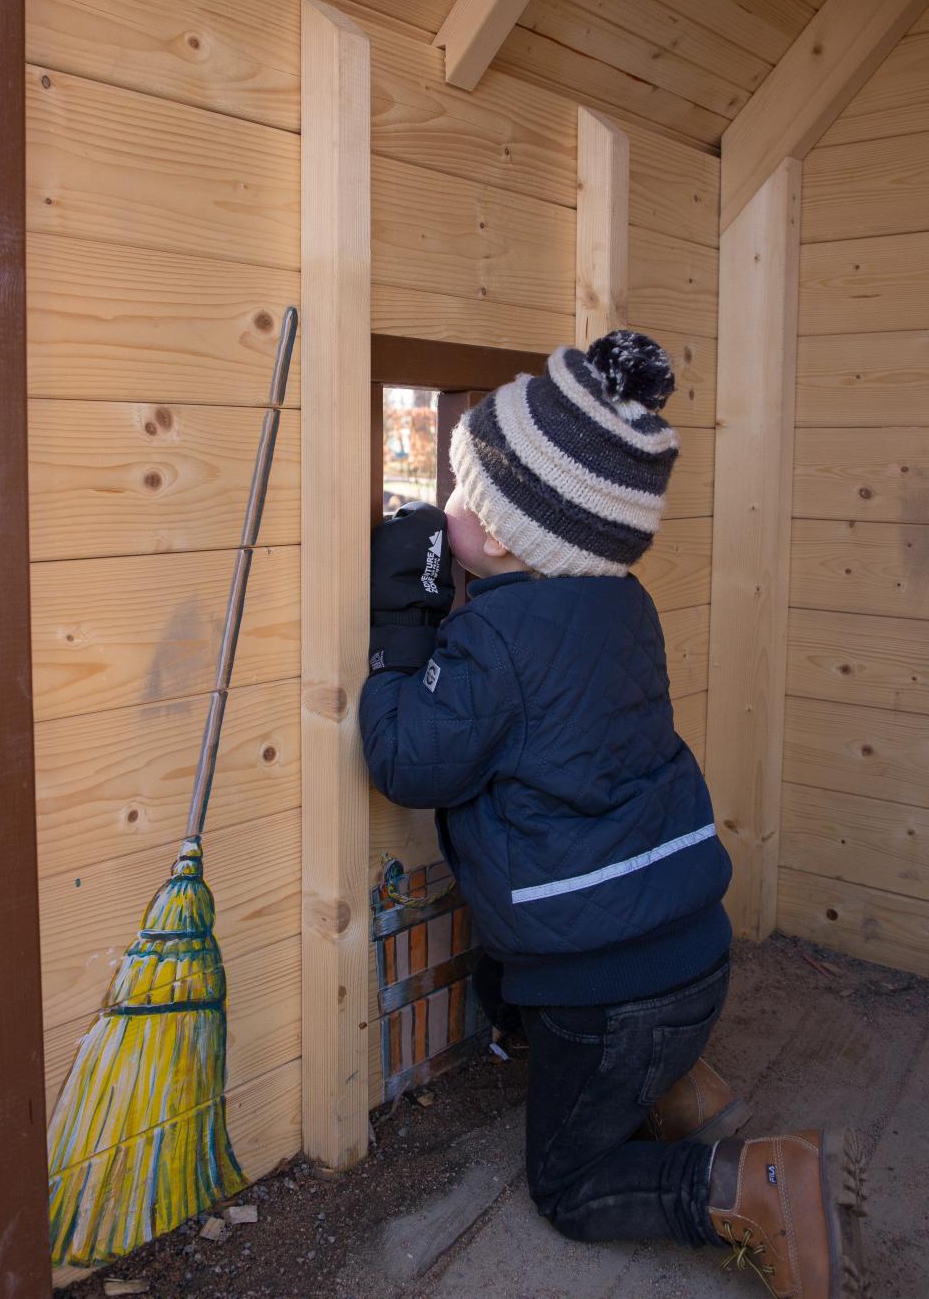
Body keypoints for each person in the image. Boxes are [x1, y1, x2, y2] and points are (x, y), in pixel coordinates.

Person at [359, 333, 867, 1298]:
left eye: (460, 493)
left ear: (507, 537)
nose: (444, 505)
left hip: (607, 998)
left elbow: (408, 758)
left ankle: (759, 1184)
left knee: (569, 1184)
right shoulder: (625, 605)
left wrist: (403, 625)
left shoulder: (495, 642)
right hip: (688, 955)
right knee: (522, 980)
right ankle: (675, 1086)